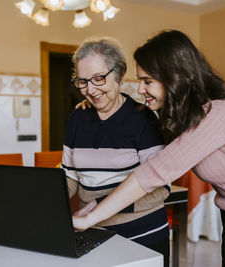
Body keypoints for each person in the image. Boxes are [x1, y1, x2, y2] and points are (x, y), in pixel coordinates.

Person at [73, 30, 225, 267]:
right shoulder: (185, 117)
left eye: (148, 81)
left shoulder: (221, 113)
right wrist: (96, 104)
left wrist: (92, 217)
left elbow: (155, 171)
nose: (141, 89)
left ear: (175, 77)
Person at [61, 36, 171, 266]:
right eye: (82, 81)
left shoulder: (143, 119)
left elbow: (160, 189)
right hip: (91, 234)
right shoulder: (77, 119)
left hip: (143, 236)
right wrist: (47, 201)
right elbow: (71, 176)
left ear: (118, 74)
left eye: (98, 78)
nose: (90, 90)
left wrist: (101, 206)